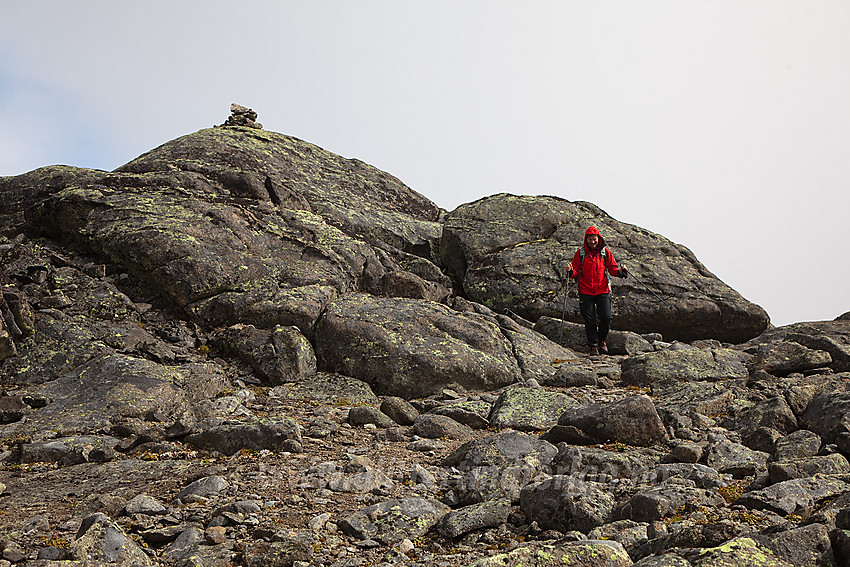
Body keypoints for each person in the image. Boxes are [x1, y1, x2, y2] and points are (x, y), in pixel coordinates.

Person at [565, 226, 628, 355]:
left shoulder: (605, 253)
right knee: (589, 319)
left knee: (606, 317)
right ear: (586, 240)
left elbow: (612, 269)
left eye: (594, 239)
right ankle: (593, 345)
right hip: (585, 290)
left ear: (599, 239)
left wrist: (621, 272)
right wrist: (570, 271)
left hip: (602, 289)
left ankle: (602, 341)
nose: (592, 242)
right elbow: (575, 272)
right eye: (590, 239)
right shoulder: (580, 253)